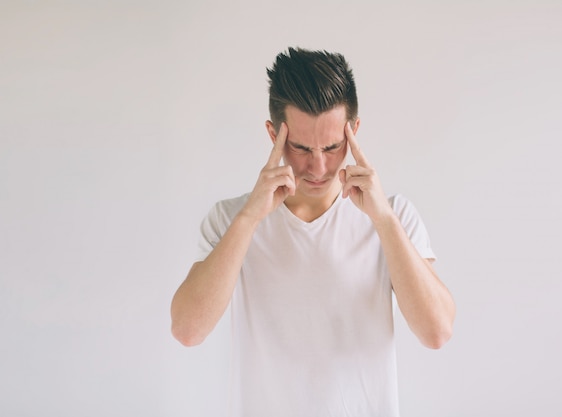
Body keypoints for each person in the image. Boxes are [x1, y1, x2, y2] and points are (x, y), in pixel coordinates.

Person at [170, 47, 455, 417]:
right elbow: (188, 330)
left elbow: (437, 333)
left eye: (333, 146)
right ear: (273, 134)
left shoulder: (394, 215)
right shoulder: (231, 218)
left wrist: (383, 219)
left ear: (354, 132)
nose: (317, 165)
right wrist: (248, 219)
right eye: (301, 147)